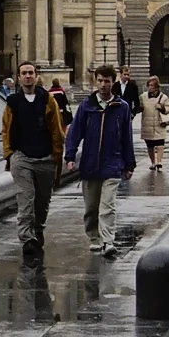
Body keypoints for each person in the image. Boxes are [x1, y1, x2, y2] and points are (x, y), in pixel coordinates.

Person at [63, 64, 135, 258]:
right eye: (100, 81)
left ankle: (108, 241)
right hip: (90, 163)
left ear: (114, 82)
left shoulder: (122, 107)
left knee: (107, 206)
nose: (103, 85)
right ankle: (94, 238)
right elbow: (75, 132)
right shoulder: (87, 106)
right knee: (91, 208)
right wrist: (70, 156)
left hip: (113, 164)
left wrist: (130, 164)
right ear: (96, 81)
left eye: (107, 81)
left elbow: (127, 137)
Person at [2, 59, 64, 258]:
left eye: (31, 72)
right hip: (22, 157)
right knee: (25, 199)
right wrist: (9, 154)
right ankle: (27, 239)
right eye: (24, 73)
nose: (28, 76)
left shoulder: (48, 100)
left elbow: (56, 128)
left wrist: (57, 155)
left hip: (45, 157)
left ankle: (38, 229)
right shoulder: (12, 102)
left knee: (42, 201)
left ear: (36, 76)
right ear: (19, 77)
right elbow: (5, 129)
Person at [138, 75, 169, 170]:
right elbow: (139, 107)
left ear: (157, 86)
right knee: (150, 144)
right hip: (147, 124)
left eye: (152, 85)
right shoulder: (143, 96)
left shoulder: (163, 97)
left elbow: (168, 108)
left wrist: (162, 108)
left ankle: (159, 162)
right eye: (149, 85)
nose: (150, 87)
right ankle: (153, 162)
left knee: (160, 142)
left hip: (159, 123)